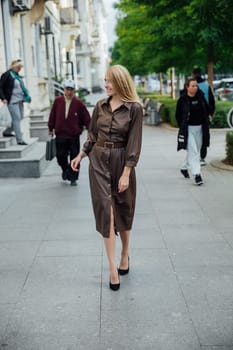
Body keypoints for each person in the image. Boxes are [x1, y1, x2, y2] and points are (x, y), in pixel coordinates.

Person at [71, 65, 143, 291]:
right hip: (99, 162)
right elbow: (92, 134)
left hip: (122, 160)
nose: (106, 85)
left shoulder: (134, 109)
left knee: (124, 208)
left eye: (110, 81)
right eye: (105, 80)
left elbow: (134, 143)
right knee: (106, 212)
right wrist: (82, 153)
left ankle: (124, 253)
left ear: (121, 82)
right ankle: (113, 268)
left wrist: (127, 173)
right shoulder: (100, 106)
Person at [48, 79, 91, 186]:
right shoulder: (58, 101)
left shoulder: (78, 103)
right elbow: (53, 114)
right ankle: (65, 169)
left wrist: (90, 129)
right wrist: (50, 127)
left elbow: (86, 117)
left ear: (74, 90)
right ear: (64, 90)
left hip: (73, 135)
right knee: (60, 156)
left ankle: (73, 178)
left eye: (71, 89)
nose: (69, 91)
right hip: (60, 134)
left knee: (74, 156)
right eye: (67, 89)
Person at [175, 77, 210, 186]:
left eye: (196, 86)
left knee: (196, 150)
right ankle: (197, 175)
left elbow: (207, 109)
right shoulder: (182, 100)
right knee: (194, 151)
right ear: (187, 87)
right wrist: (182, 126)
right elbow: (178, 115)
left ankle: (184, 167)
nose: (195, 88)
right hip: (188, 129)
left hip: (200, 128)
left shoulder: (201, 97)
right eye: (192, 86)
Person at [0, 59, 31, 145]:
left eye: (20, 67)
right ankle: (19, 140)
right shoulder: (7, 75)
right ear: (14, 66)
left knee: (20, 118)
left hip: (20, 101)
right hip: (12, 101)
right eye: (18, 67)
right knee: (16, 119)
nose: (20, 69)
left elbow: (20, 88)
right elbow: (0, 87)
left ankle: (7, 131)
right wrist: (3, 98)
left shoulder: (17, 76)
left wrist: (26, 96)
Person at [192, 67, 215, 166]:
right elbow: (211, 101)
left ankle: (194, 156)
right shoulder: (206, 86)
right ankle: (202, 157)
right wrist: (211, 113)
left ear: (193, 74)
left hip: (193, 115)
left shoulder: (191, 86)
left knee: (193, 136)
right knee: (204, 135)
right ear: (201, 74)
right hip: (204, 115)